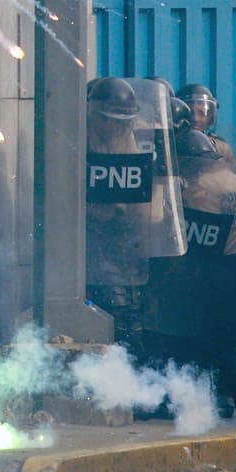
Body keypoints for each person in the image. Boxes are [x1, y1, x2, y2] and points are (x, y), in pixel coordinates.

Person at [174, 129, 236, 423]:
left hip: (224, 270)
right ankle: (233, 397)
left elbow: (196, 240)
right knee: (227, 335)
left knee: (212, 338)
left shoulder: (200, 187)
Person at [85, 77, 149, 363]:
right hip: (88, 239)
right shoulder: (79, 138)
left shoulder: (127, 138)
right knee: (112, 314)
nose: (119, 127)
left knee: (130, 316)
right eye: (112, 120)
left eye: (125, 121)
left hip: (124, 241)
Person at [176, 83, 236, 167]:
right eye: (190, 113)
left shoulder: (221, 147)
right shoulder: (168, 145)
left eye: (201, 113)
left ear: (211, 117)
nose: (196, 119)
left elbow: (231, 177)